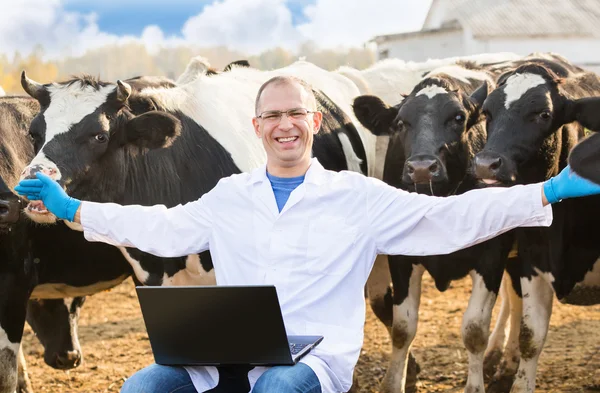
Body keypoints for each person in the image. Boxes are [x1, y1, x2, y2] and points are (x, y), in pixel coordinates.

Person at [15, 75, 600, 393]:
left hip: (311, 359)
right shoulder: (230, 195)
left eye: (295, 113)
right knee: (143, 387)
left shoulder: (356, 196)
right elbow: (162, 229)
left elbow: (448, 221)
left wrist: (547, 192)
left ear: (313, 122)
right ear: (259, 128)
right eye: (272, 116)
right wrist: (72, 207)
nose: (284, 124)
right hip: (229, 353)